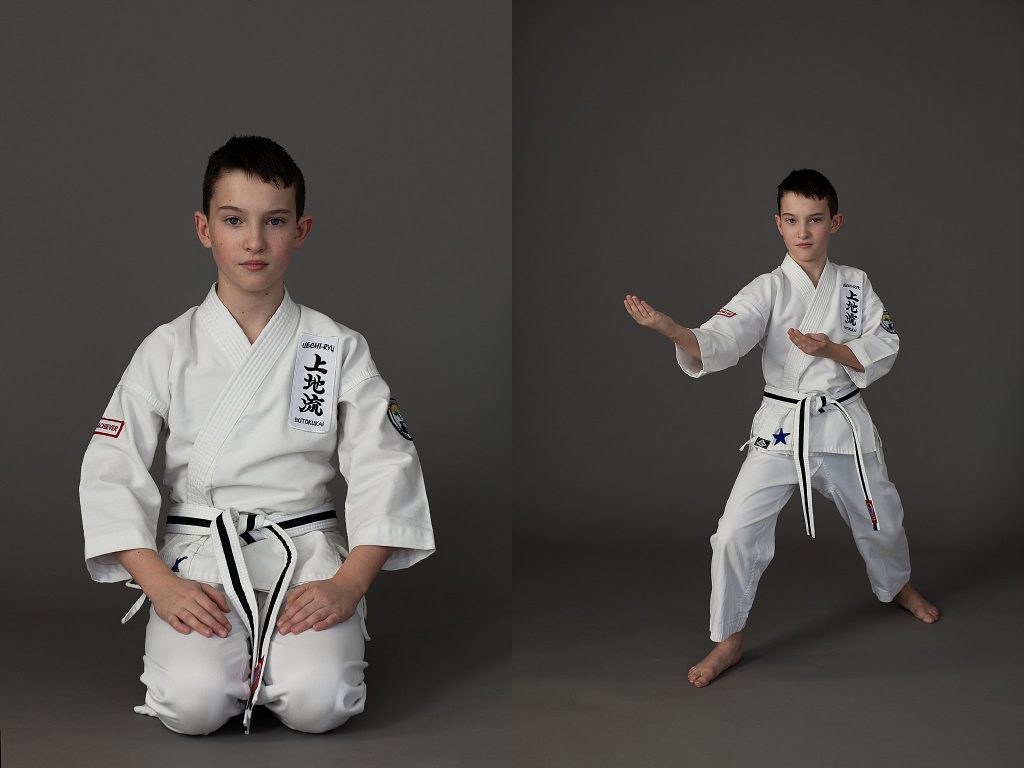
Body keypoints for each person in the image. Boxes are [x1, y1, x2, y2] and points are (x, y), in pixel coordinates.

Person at [80, 136, 435, 734]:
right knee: (191, 707)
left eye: (274, 221)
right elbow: (110, 466)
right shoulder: (167, 347)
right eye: (233, 220)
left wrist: (348, 585)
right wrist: (162, 585)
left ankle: (276, 666)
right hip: (200, 562)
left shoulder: (334, 346)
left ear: (301, 230)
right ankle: (237, 666)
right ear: (203, 228)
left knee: (321, 705)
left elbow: (385, 463)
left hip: (308, 558)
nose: (253, 241)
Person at [623, 168, 938, 689]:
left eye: (815, 220)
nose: (804, 232)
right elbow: (723, 336)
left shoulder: (855, 285)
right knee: (730, 535)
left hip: (840, 420)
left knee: (883, 516)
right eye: (792, 220)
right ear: (778, 224)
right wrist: (673, 330)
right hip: (783, 427)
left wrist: (831, 349)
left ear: (834, 222)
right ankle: (727, 637)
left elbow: (885, 344)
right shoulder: (767, 288)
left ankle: (897, 585)